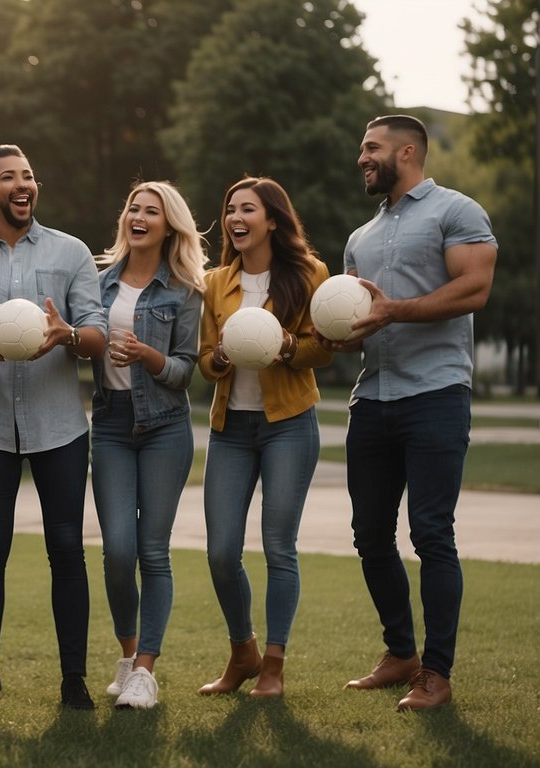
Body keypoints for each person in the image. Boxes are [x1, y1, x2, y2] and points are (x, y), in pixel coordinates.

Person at [328, 115, 496, 712]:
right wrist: (329, 336)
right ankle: (401, 654)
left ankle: (438, 674)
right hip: (372, 399)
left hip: (436, 394)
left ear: (407, 151)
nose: (362, 159)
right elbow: (358, 324)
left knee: (431, 533)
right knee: (370, 536)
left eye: (370, 148)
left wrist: (394, 311)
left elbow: (474, 288)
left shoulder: (456, 210)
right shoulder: (359, 238)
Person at [0, 144, 106, 710]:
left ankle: (73, 679)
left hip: (60, 427)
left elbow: (96, 332)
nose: (22, 184)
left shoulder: (73, 252)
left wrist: (68, 336)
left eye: (28, 175)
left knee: (67, 549)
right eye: (8, 177)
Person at [196, 176, 332, 699]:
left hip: (289, 424)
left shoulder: (309, 273)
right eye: (230, 208)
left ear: (272, 219)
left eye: (247, 208)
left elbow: (327, 346)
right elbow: (206, 360)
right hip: (231, 428)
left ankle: (273, 664)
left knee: (279, 546)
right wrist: (223, 357)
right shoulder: (214, 283)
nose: (235, 217)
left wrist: (289, 348)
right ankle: (242, 651)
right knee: (221, 551)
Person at [90, 181, 207, 709]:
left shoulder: (184, 290)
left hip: (164, 427)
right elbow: (86, 341)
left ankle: (146, 671)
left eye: (151, 211)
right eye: (133, 207)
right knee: (118, 549)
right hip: (111, 425)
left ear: (169, 226)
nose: (138, 216)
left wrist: (148, 357)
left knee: (152, 551)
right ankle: (128, 654)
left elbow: (186, 371)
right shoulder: (97, 283)